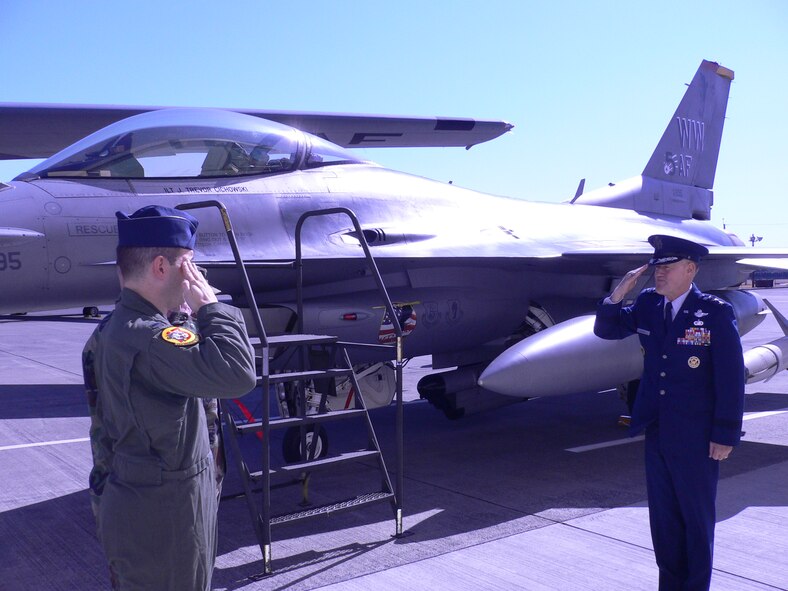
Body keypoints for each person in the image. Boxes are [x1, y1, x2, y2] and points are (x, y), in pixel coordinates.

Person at [82, 205, 257, 590]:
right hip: (165, 515)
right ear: (162, 267)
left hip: (146, 503)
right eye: (189, 265)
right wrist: (211, 307)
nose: (198, 277)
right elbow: (238, 373)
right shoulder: (148, 336)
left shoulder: (117, 329)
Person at [594, 234, 745, 591]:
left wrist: (724, 434)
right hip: (657, 430)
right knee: (663, 522)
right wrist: (619, 294)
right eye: (657, 266)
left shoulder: (714, 312)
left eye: (669, 266)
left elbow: (730, 377)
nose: (659, 273)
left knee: (695, 520)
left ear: (690, 269)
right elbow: (606, 328)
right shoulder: (648, 304)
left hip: (697, 437)